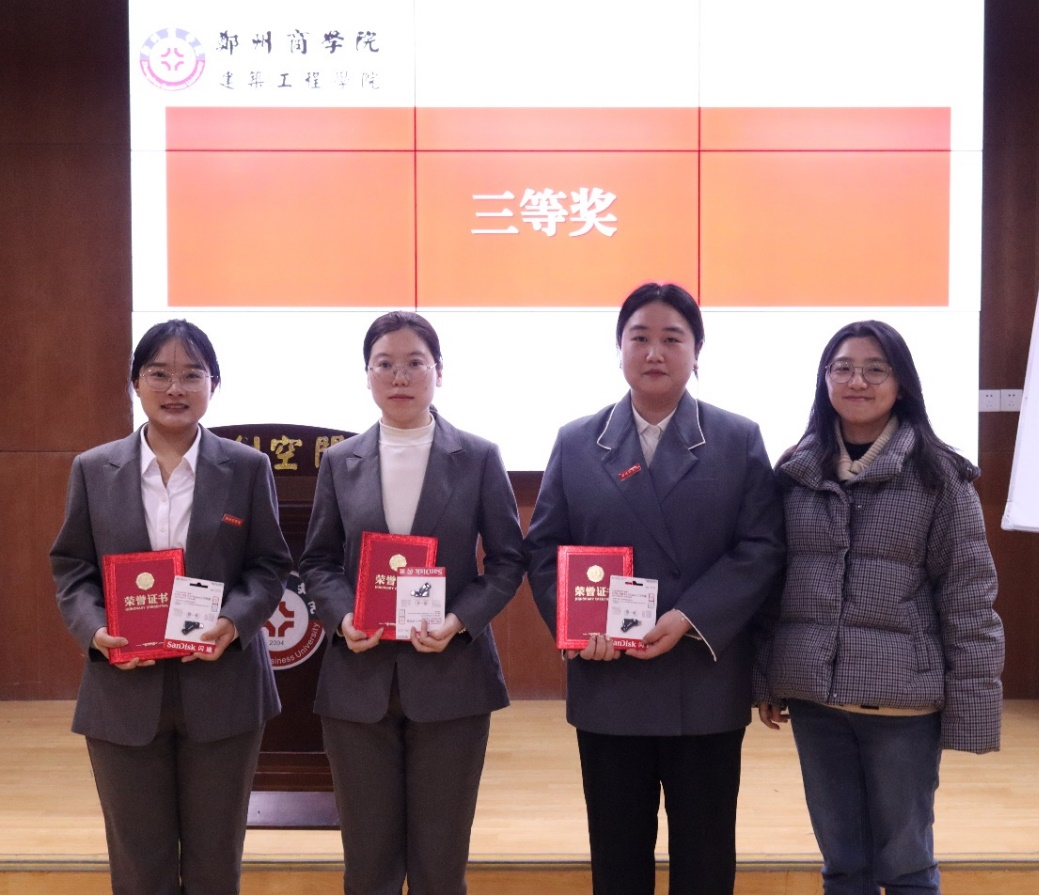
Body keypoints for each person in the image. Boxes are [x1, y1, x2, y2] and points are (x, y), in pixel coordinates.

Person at [524, 282, 786, 895]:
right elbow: (545, 548)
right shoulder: (576, 441)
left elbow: (761, 548)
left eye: (673, 338)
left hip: (703, 677)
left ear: (697, 351)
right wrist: (576, 627)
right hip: (609, 679)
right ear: (618, 348)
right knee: (617, 860)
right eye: (639, 337)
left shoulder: (737, 438)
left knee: (705, 861)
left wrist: (690, 616)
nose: (654, 352)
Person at [754, 320, 1005, 895]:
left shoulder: (940, 476)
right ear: (825, 380)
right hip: (815, 700)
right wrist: (765, 676)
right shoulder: (795, 472)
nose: (857, 381)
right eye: (842, 368)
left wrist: (971, 709)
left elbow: (970, 599)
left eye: (875, 369)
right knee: (842, 865)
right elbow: (770, 588)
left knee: (907, 867)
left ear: (901, 383)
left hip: (903, 706)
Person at [50, 319, 292, 895]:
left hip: (224, 686)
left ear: (214, 384)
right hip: (123, 689)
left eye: (192, 375)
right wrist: (96, 630)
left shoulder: (246, 467)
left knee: (215, 861)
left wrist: (233, 621)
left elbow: (269, 564)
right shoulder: (93, 468)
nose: (175, 388)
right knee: (139, 864)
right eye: (159, 373)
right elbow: (72, 567)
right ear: (136, 382)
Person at [299, 311, 525, 895]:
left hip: (452, 677)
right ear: (367, 375)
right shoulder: (341, 461)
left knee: (440, 864)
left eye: (414, 363)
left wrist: (460, 620)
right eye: (385, 364)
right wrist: (344, 617)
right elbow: (318, 561)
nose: (399, 376)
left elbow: (507, 561)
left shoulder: (478, 456)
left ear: (439, 372)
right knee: (367, 864)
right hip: (359, 680)